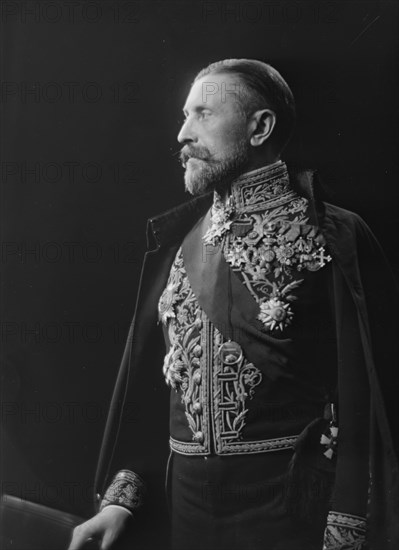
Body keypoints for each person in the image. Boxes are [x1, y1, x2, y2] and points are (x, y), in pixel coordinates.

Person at [68, 59, 398, 550]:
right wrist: (122, 498)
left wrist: (347, 525)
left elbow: (369, 395)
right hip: (187, 512)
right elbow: (157, 388)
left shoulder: (336, 234)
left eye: (202, 114)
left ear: (260, 127)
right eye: (184, 115)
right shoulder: (178, 241)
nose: (182, 133)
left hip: (292, 514)